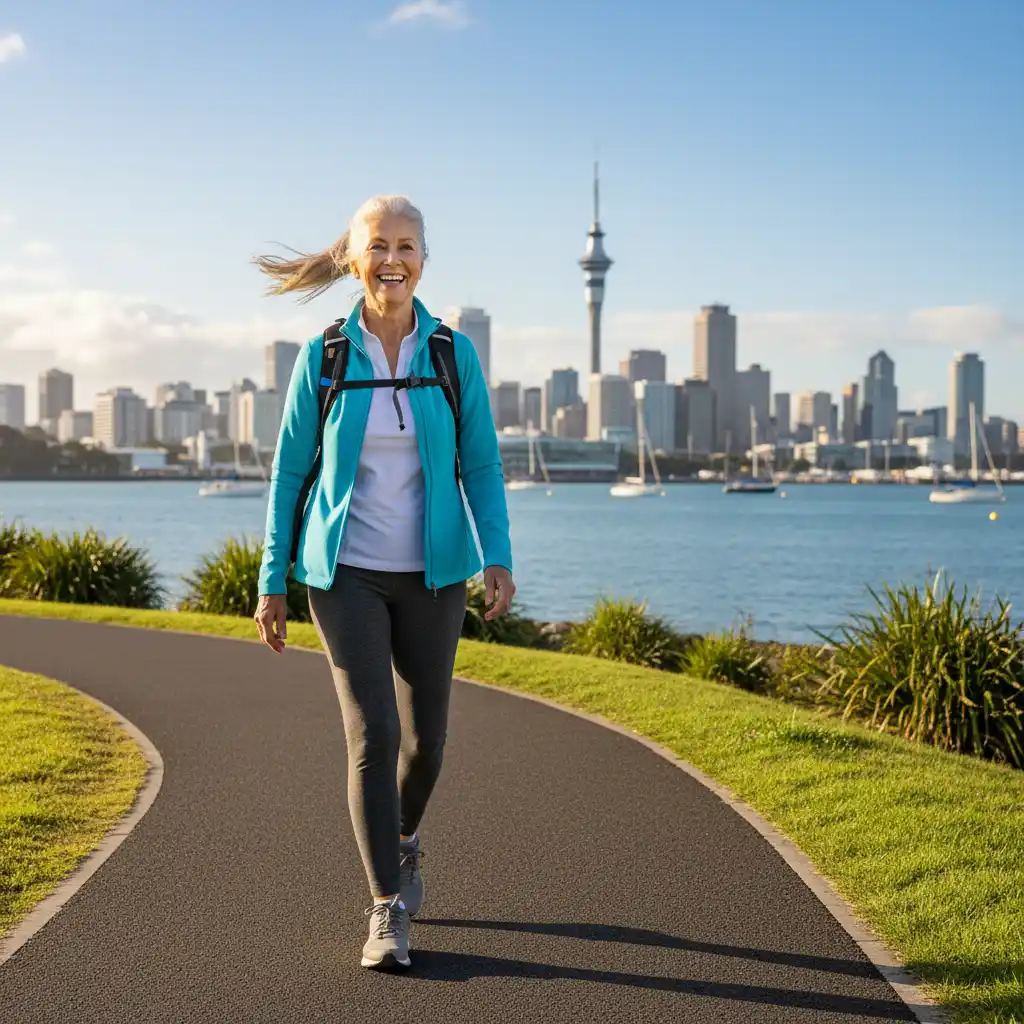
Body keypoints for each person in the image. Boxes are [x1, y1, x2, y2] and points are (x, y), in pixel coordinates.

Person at [251, 195, 515, 972]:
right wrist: (273, 580)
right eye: (379, 246)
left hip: (435, 577)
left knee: (428, 743)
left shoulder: (449, 355)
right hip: (347, 574)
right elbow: (290, 472)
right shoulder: (326, 357)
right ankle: (385, 908)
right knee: (375, 735)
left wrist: (495, 554)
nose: (392, 260)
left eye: (406, 246)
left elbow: (483, 465)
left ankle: (401, 840)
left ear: (424, 260)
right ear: (354, 257)